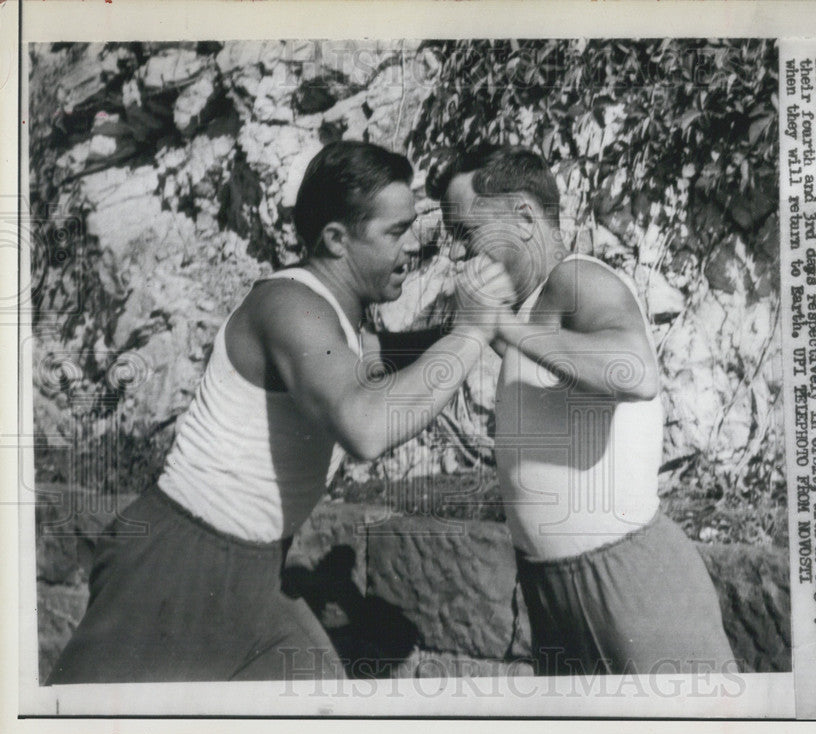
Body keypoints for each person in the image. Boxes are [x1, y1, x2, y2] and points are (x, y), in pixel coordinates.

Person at [47, 141, 515, 684]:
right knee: (89, 727)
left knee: (320, 716)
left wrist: (476, 336)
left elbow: (374, 359)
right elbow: (365, 427)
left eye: (412, 226)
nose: (414, 247)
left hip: (256, 566)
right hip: (179, 561)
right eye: (395, 232)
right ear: (337, 239)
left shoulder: (336, 314)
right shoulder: (292, 307)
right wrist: (473, 331)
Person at [427, 145, 736, 676]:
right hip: (552, 588)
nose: (459, 256)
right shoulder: (532, 314)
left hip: (628, 580)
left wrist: (500, 326)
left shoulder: (577, 278)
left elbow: (635, 371)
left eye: (467, 234)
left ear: (524, 218)